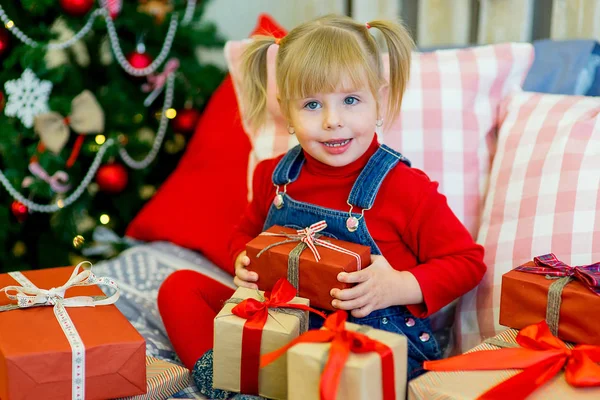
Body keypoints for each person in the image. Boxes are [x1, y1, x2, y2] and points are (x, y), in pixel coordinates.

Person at [158, 14, 486, 398]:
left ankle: (283, 382)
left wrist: (397, 286)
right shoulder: (273, 176)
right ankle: (224, 383)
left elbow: (467, 262)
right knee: (179, 288)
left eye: (350, 100)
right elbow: (245, 233)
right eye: (312, 104)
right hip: (278, 321)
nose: (333, 121)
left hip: (358, 341)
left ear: (378, 99)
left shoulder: (404, 188)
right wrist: (240, 261)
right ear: (287, 112)